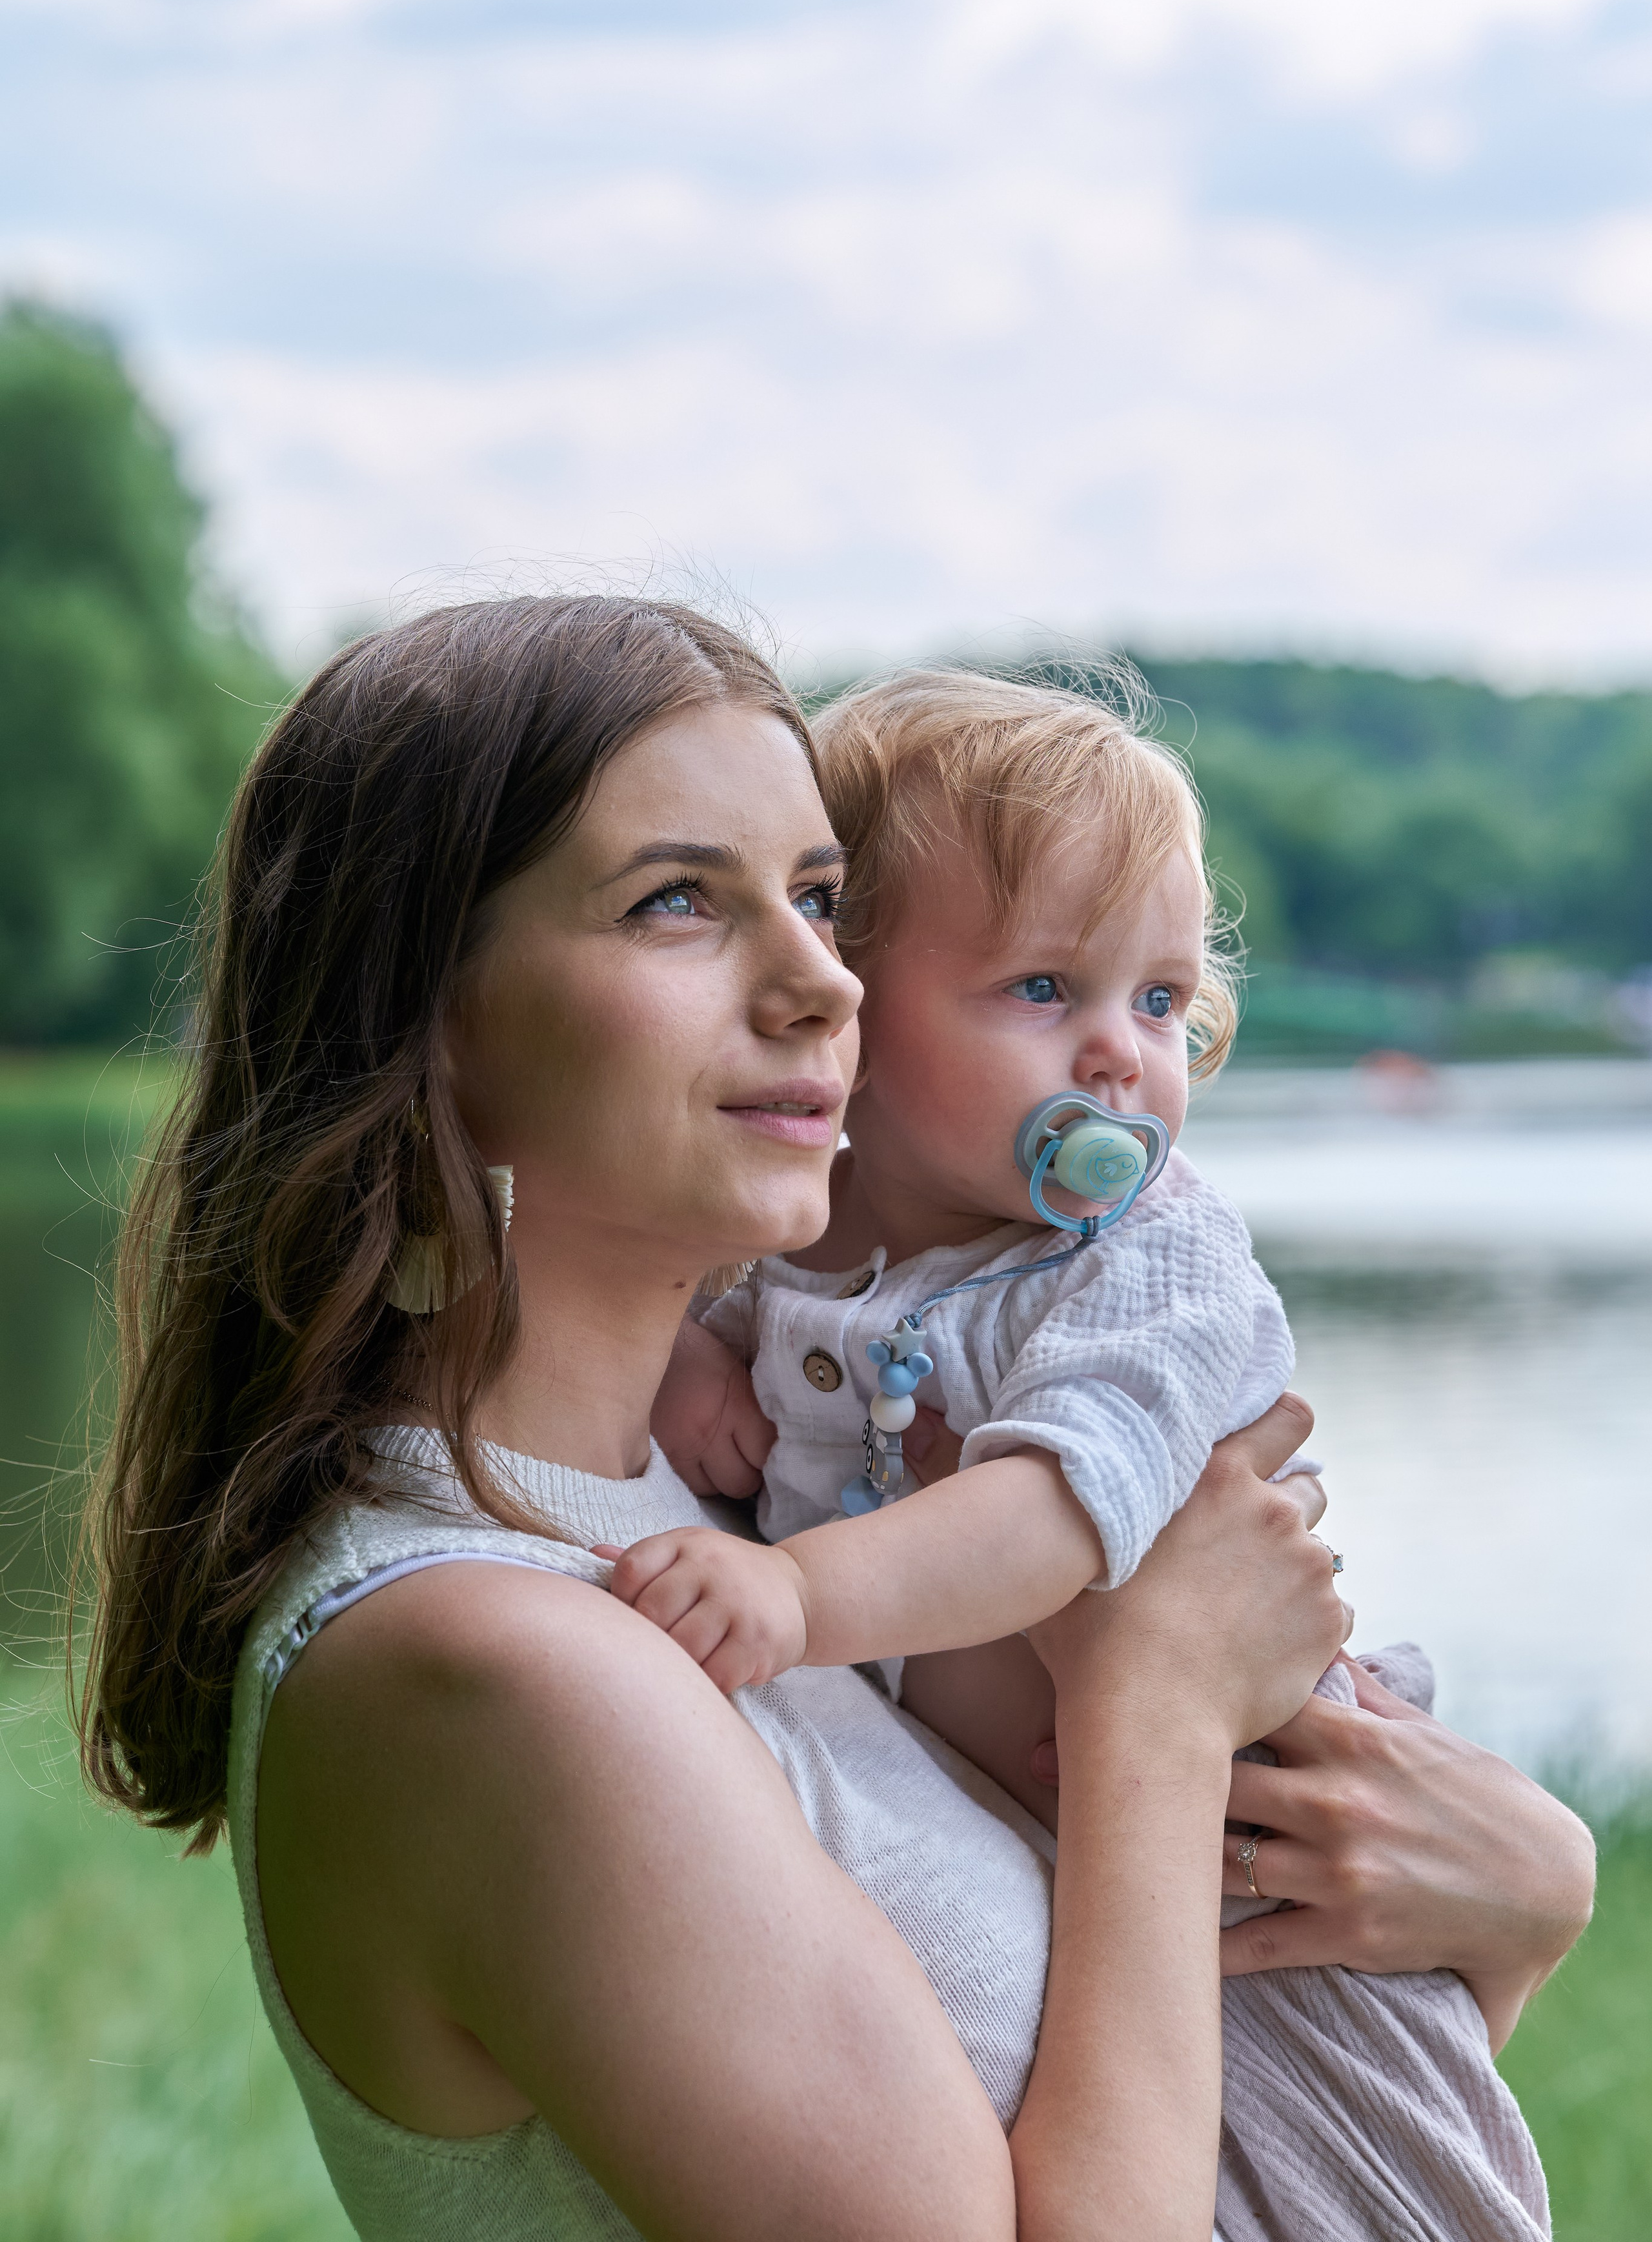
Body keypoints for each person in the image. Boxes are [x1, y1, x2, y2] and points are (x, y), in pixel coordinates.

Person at [79, 596, 1593, 2242]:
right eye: (675, 902)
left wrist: (1515, 1901)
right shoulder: (497, 1667)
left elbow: (1214, 2119)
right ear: (430, 1021)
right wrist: (1151, 1699)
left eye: (817, 900)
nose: (824, 984)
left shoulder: (734, 1498)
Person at [614, 666, 1552, 2235]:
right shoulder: (785, 1249)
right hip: (1099, 1877)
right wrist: (688, 1349)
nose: (1121, 1053)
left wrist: (790, 1600)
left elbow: (1055, 1515)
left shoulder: (1147, 1264)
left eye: (1162, 1000)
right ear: (847, 995)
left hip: (1268, 1894)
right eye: (1043, 990)